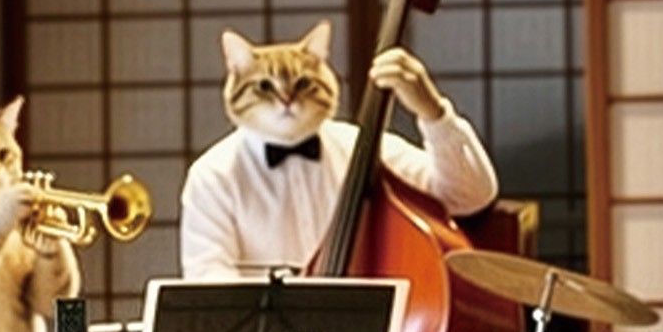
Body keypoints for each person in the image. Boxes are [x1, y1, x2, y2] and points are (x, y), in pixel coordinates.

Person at [178, 22, 498, 280]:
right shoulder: (212, 176)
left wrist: (434, 114)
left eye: (302, 84)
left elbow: (470, 197)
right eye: (265, 87)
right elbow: (209, 282)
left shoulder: (363, 149)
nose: (286, 99)